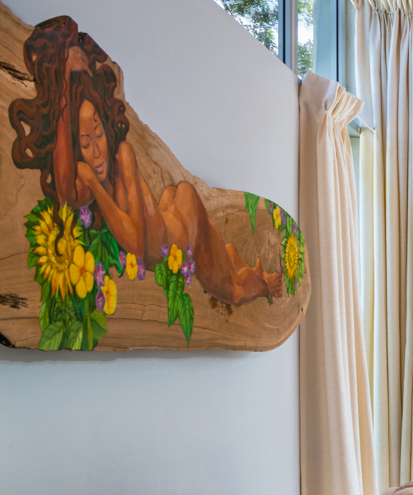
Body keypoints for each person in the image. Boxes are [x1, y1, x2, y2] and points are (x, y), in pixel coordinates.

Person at [9, 16, 279, 306]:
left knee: (232, 293)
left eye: (98, 134)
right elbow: (66, 192)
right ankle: (233, 259)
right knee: (225, 273)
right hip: (171, 212)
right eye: (85, 143)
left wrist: (94, 185)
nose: (96, 152)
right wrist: (61, 87)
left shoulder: (121, 156)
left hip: (183, 229)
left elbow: (136, 245)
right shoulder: (91, 175)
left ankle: (265, 284)